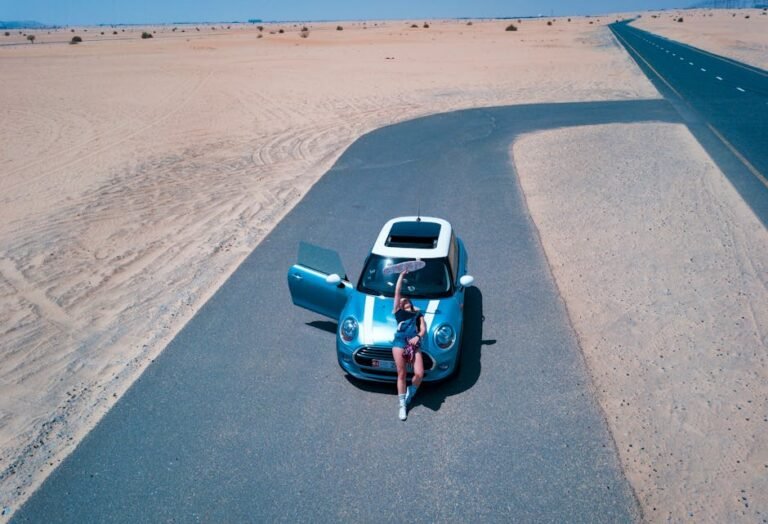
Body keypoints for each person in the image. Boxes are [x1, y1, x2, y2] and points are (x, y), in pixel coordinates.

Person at [392, 269, 426, 421]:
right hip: (399, 342)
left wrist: (418, 336)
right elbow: (397, 291)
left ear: (411, 303)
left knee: (419, 373)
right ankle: (402, 406)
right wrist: (401, 275)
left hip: (413, 343)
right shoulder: (398, 312)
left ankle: (409, 394)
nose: (403, 300)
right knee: (402, 373)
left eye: (406, 300)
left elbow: (424, 329)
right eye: (401, 300)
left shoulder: (418, 314)